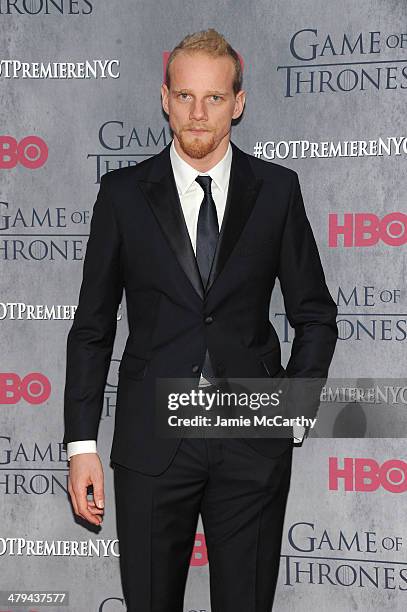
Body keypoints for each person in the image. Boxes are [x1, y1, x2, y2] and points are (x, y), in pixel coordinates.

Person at [63, 28, 338, 612]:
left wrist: (294, 407)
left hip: (250, 440)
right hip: (151, 442)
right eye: (185, 96)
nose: (198, 113)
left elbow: (315, 314)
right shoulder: (122, 195)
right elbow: (92, 327)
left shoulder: (277, 191)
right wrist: (81, 443)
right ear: (164, 97)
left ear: (238, 102)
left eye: (214, 98)